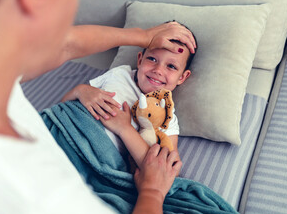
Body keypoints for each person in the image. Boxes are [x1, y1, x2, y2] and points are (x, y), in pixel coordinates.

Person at [0, 0, 196, 214]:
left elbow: (67, 46)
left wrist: (143, 36)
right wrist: (152, 192)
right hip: (75, 133)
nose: (159, 69)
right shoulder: (45, 207)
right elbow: (65, 50)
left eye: (171, 67)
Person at [62, 36, 197, 167]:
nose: (158, 70)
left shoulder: (167, 117)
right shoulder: (119, 74)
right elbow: (62, 107)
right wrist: (80, 90)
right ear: (140, 60)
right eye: (152, 59)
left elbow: (167, 168)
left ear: (182, 77)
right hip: (66, 128)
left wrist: (125, 129)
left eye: (171, 66)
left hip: (94, 156)